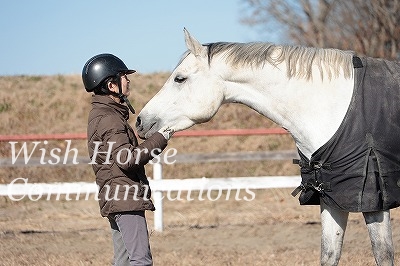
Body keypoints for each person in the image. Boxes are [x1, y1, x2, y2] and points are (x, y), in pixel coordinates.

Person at [82, 53, 173, 266]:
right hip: (125, 198)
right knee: (141, 260)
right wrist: (162, 137)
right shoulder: (110, 119)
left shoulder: (102, 115)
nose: (128, 80)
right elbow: (128, 159)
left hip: (117, 197)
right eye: (123, 76)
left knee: (123, 261)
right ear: (111, 85)